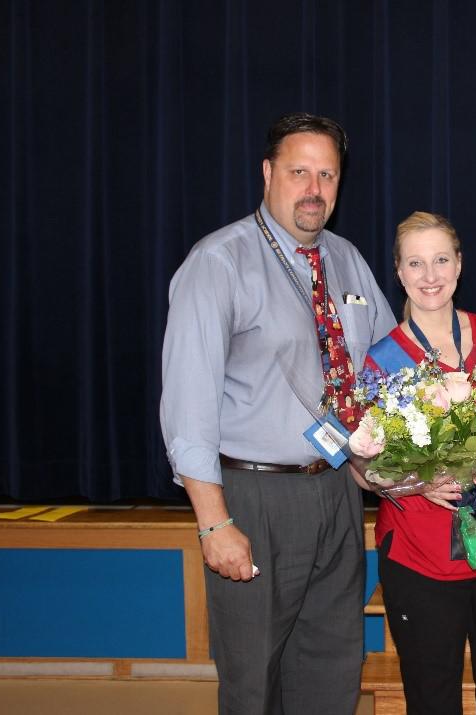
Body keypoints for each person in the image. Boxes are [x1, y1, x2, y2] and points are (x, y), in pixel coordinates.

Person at [160, 112, 397, 714]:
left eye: (327, 174)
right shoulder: (218, 262)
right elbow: (187, 405)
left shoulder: (347, 260)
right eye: (299, 172)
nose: (314, 188)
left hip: (339, 491)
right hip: (252, 498)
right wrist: (213, 523)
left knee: (332, 669)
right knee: (253, 682)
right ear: (267, 174)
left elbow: (388, 371)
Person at [360, 211, 476, 715]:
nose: (430, 275)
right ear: (398, 272)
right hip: (421, 550)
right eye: (415, 263)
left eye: (441, 259)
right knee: (431, 694)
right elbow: (361, 464)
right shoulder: (381, 362)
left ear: (459, 265)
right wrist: (414, 483)